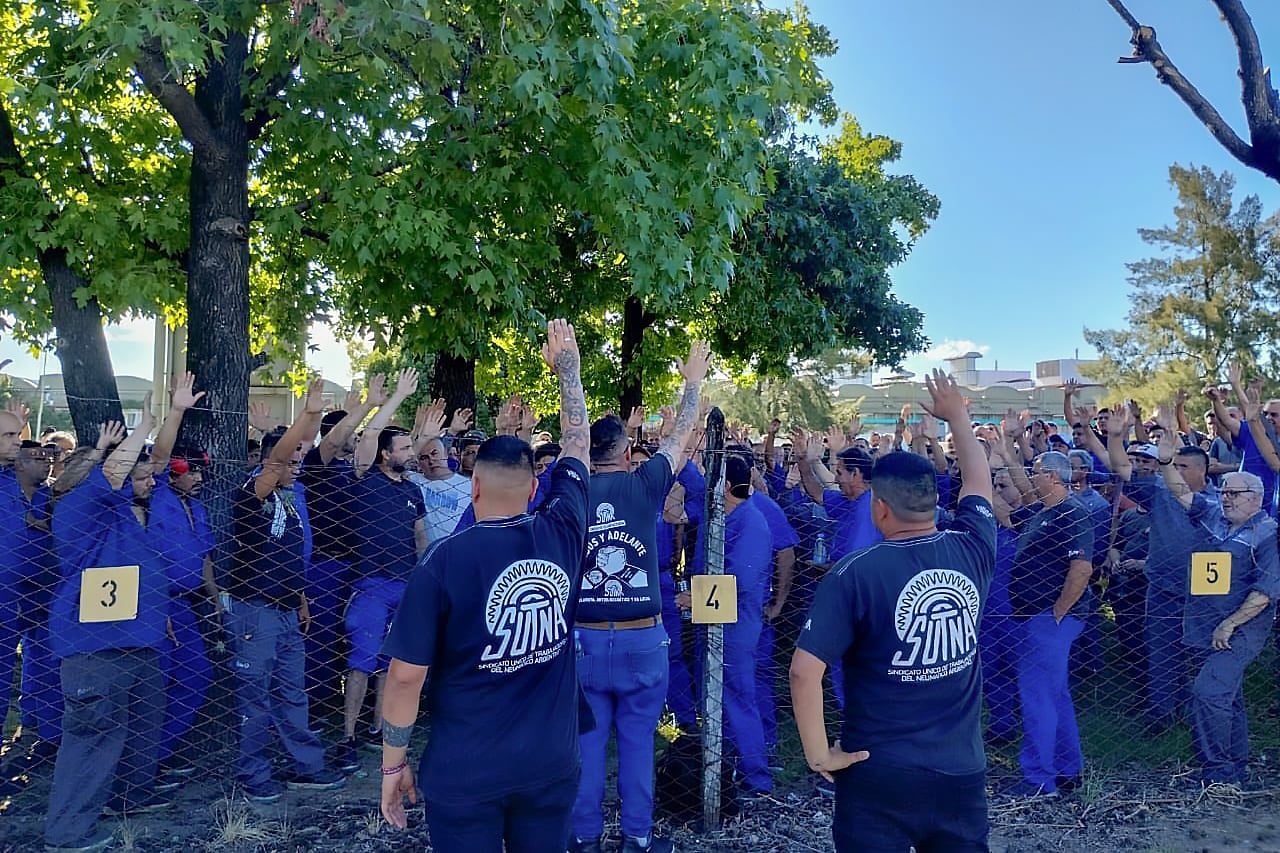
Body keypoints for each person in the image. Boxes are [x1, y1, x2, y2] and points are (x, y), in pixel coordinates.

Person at [379, 319, 591, 853]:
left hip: (466, 770)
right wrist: (569, 370)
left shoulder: (441, 562)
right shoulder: (563, 529)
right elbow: (578, 445)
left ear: (472, 483)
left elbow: (405, 678)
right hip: (549, 765)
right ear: (536, 486)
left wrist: (392, 765)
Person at [790, 369, 995, 852]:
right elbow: (980, 483)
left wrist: (819, 755)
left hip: (876, 769)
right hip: (960, 769)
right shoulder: (973, 549)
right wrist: (958, 418)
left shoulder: (854, 573)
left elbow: (804, 671)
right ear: (933, 501)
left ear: (879, 507)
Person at [569, 341, 710, 853]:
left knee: (585, 746)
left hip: (581, 638)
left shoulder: (570, 487)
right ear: (627, 452)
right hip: (641, 640)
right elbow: (680, 434)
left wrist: (569, 369)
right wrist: (692, 380)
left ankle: (584, 838)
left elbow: (570, 435)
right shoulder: (646, 484)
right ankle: (637, 838)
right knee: (636, 746)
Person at [42, 403, 176, 853]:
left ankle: (126, 799)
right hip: (95, 648)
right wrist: (142, 427)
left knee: (137, 728)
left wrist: (170, 415)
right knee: (92, 736)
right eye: (98, 465)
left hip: (136, 641)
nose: (110, 472)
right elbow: (120, 469)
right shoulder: (78, 507)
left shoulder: (115, 512)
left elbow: (143, 468)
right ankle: (67, 832)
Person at [225, 379, 345, 802]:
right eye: (291, 457)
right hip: (254, 608)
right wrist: (307, 418)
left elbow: (290, 558)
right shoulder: (250, 494)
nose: (296, 465)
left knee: (293, 691)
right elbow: (275, 463)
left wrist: (301, 600)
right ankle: (252, 772)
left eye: (299, 458)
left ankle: (306, 766)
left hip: (287, 609)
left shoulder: (293, 502)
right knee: (254, 694)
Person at [1000, 443, 1094, 798]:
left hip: (1049, 619)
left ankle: (1039, 779)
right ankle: (1068, 770)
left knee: (1037, 697)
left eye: (1036, 470)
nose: (1031, 476)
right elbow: (1006, 508)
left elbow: (1082, 568)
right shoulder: (1041, 511)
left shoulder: (1072, 513)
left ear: (1052, 476)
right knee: (1055, 695)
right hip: (1036, 616)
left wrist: (1057, 613)